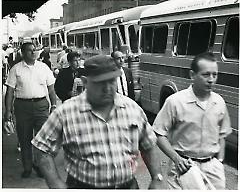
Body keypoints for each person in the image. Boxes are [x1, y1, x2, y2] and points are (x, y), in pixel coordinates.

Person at [31, 55, 166, 189]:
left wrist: (157, 177)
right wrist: (56, 184)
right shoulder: (66, 112)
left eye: (112, 81)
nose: (107, 88)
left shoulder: (132, 109)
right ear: (85, 82)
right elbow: (41, 148)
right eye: (100, 83)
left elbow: (149, 145)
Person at [152, 52, 232, 190]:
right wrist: (176, 159)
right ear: (192, 75)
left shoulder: (219, 102)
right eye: (206, 74)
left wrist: (219, 161)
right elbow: (158, 134)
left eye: (215, 74)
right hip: (184, 167)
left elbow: (222, 134)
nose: (211, 79)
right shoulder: (175, 102)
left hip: (213, 169)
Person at [4, 42, 57, 178]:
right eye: (29, 51)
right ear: (22, 52)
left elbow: (51, 89)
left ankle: (40, 167)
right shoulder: (16, 69)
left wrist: (54, 105)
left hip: (41, 106)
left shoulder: (43, 67)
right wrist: (8, 111)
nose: (33, 53)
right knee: (24, 138)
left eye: (35, 50)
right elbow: (9, 92)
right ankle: (27, 167)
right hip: (22, 107)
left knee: (41, 140)